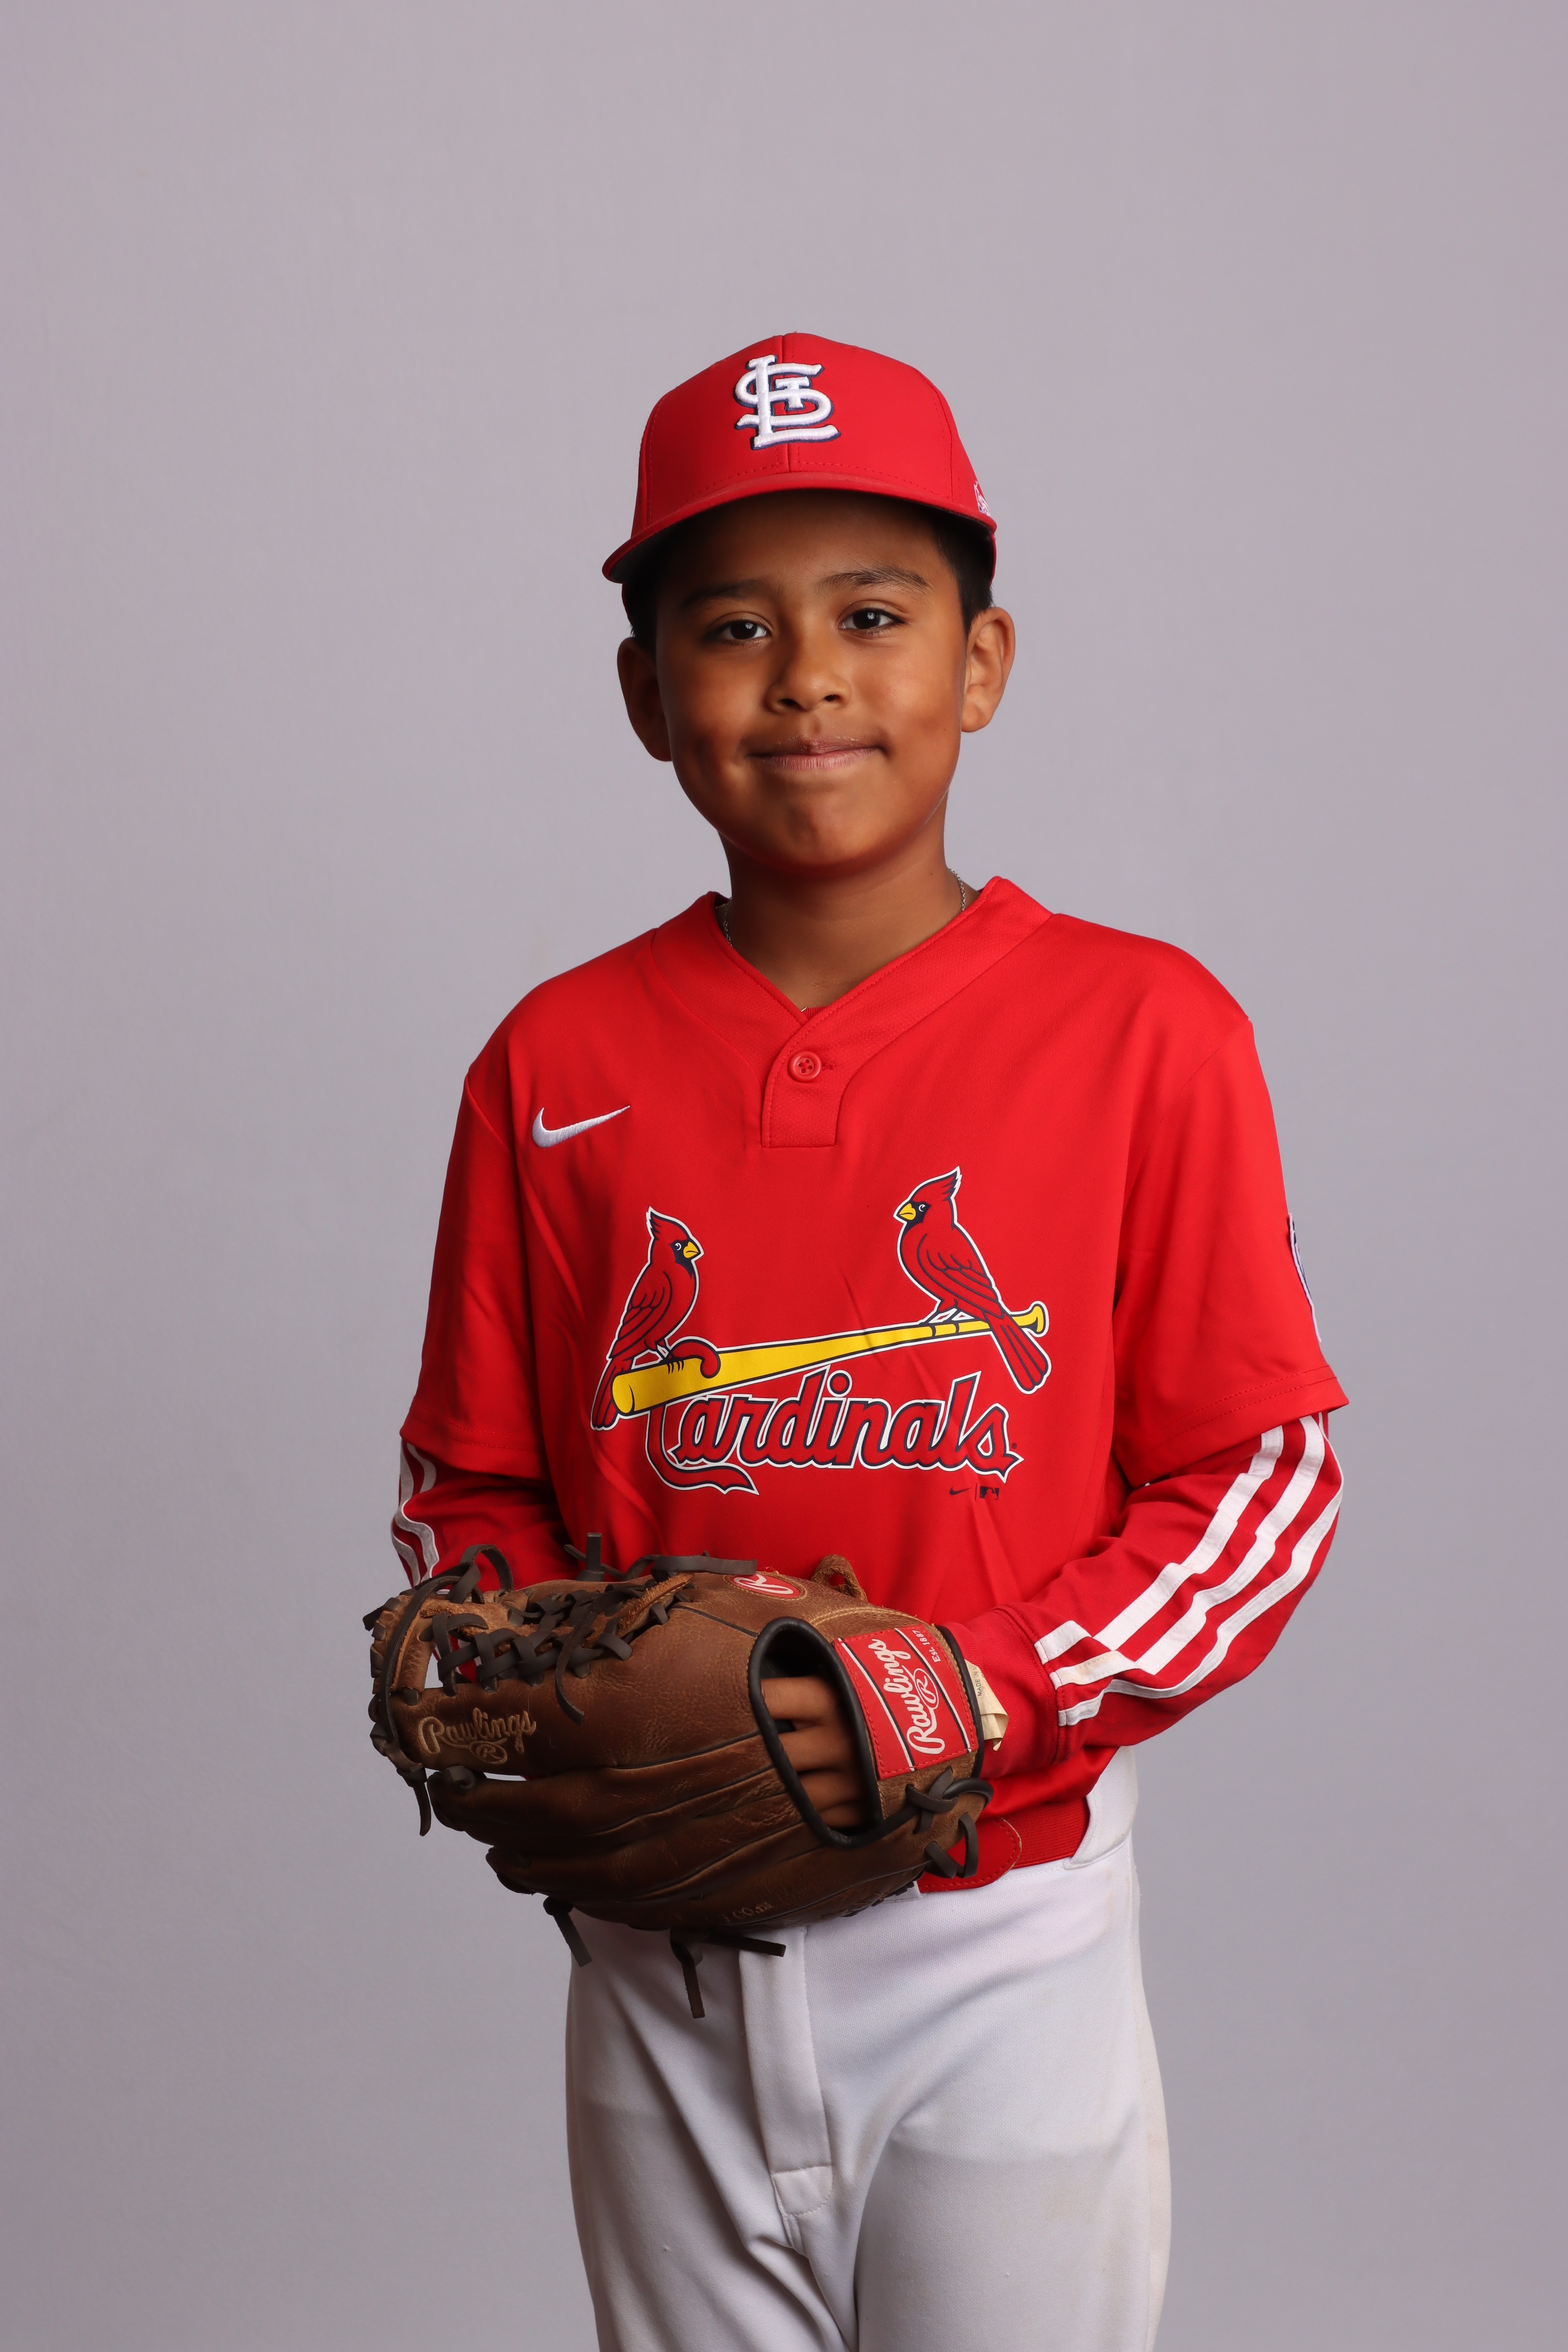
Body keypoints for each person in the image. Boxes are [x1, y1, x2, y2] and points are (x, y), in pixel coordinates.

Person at [392, 333, 1346, 2352]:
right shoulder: (552, 1062)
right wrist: (515, 1665)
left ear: (980, 664)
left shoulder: (1143, 1031)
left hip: (991, 1937)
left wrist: (973, 1693)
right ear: (646, 693)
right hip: (657, 1949)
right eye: (732, 625)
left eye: (873, 615)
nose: (806, 675)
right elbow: (470, 1480)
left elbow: (1255, 1483)